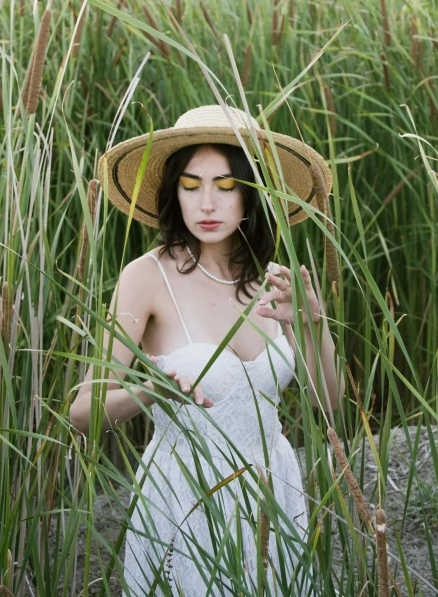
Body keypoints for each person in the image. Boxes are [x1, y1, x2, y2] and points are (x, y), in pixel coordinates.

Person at [70, 105, 344, 596]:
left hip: (273, 486)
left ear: (252, 192)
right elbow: (83, 413)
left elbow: (330, 404)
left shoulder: (274, 280)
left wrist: (311, 321)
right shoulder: (146, 277)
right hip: (187, 497)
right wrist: (148, 391)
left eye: (226, 185)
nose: (208, 204)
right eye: (192, 187)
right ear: (174, 193)